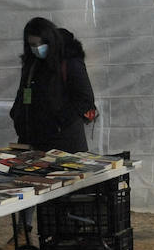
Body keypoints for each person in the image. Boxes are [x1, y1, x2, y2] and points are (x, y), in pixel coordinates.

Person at [9, 17, 96, 152]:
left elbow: (85, 98)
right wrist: (18, 115)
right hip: (32, 140)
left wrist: (59, 123)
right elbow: (24, 92)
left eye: (39, 44)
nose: (37, 49)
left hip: (64, 142)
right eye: (32, 45)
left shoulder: (70, 61)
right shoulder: (32, 63)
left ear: (50, 41)